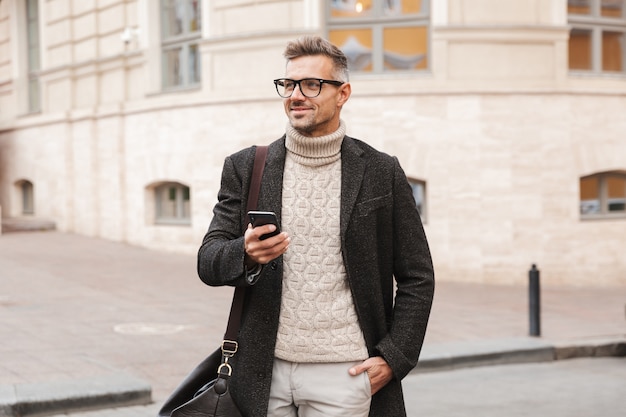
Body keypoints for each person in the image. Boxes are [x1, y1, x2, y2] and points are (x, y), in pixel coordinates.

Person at [198, 35, 434, 417]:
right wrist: (243, 253)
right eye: (288, 84)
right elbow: (207, 261)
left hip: (346, 372)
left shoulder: (380, 171)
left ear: (343, 94)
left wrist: (394, 358)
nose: (296, 95)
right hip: (262, 373)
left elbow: (417, 275)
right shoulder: (246, 167)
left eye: (312, 84)